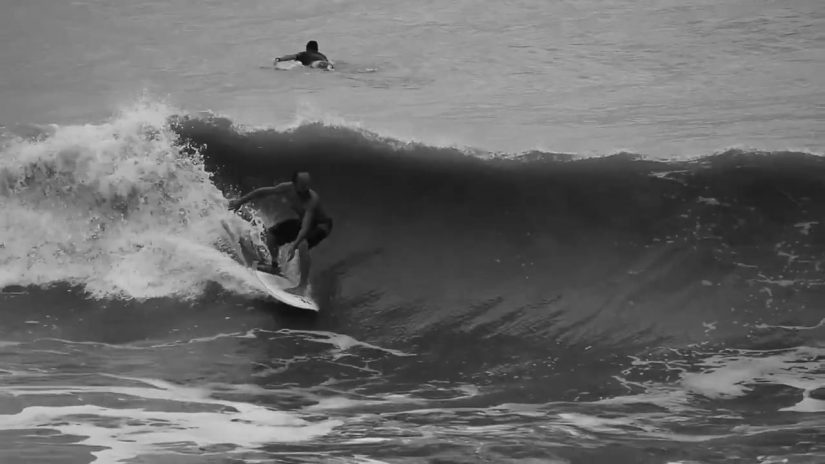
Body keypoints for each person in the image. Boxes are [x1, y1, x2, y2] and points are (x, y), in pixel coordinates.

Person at [229, 171, 333, 295]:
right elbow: (262, 192)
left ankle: (302, 286)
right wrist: (240, 201)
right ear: (294, 184)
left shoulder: (312, 199)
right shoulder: (286, 188)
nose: (306, 189)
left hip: (321, 225)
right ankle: (274, 266)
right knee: (271, 235)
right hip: (304, 222)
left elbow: (305, 227)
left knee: (302, 244)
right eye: (302, 185)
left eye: (307, 185)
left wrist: (294, 245)